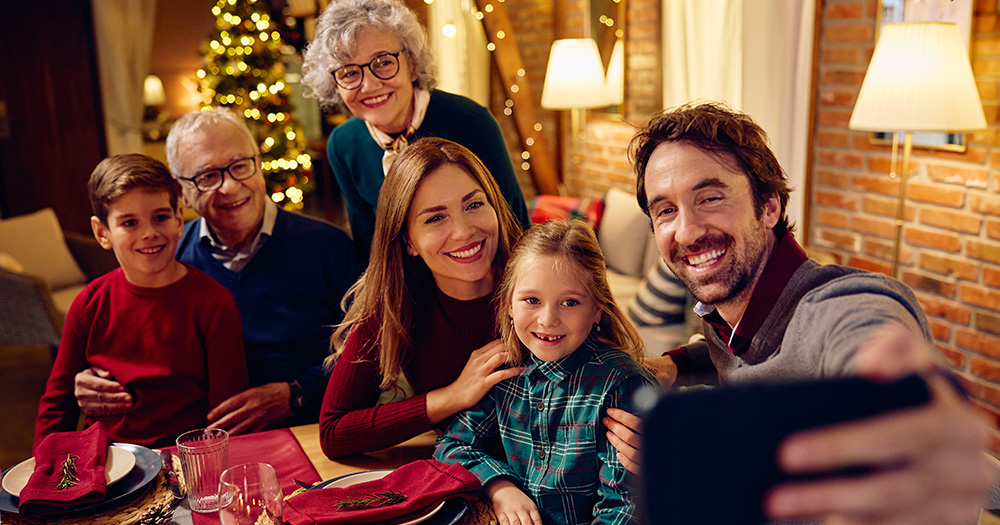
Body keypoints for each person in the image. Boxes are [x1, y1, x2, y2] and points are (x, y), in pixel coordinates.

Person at [601, 101, 995, 524]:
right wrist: (672, 367)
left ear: (769, 206)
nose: (688, 230)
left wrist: (908, 410)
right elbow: (729, 348)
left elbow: (867, 331)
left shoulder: (840, 305)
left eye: (710, 197)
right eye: (666, 211)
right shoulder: (729, 311)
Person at [73, 109, 364, 434]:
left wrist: (297, 393)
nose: (229, 186)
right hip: (206, 440)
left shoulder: (329, 247)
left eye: (240, 166)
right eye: (207, 176)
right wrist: (92, 378)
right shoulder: (168, 260)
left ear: (259, 163)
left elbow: (370, 355)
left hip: (312, 426)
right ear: (180, 190)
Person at [434, 219, 657, 525]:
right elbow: (452, 446)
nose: (548, 320)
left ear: (596, 310)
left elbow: (625, 508)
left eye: (570, 302)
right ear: (509, 303)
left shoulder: (622, 386)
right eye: (532, 300)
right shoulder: (505, 371)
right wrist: (501, 487)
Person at [319, 137, 523, 458]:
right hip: (459, 478)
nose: (463, 231)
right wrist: (454, 395)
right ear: (408, 242)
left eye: (473, 205)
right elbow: (334, 432)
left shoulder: (542, 285)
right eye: (435, 218)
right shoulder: (395, 307)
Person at [35, 154, 248, 449]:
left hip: (185, 458)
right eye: (129, 222)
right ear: (102, 233)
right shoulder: (88, 304)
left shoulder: (213, 303)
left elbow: (225, 414)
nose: (149, 233)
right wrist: (45, 471)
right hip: (106, 460)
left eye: (160, 217)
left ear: (178, 220)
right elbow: (57, 405)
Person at [301, 0, 530, 259]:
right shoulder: (343, 145)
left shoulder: (473, 122)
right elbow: (369, 251)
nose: (369, 85)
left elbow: (516, 231)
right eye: (349, 72)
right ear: (334, 84)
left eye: (383, 62)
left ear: (411, 62)